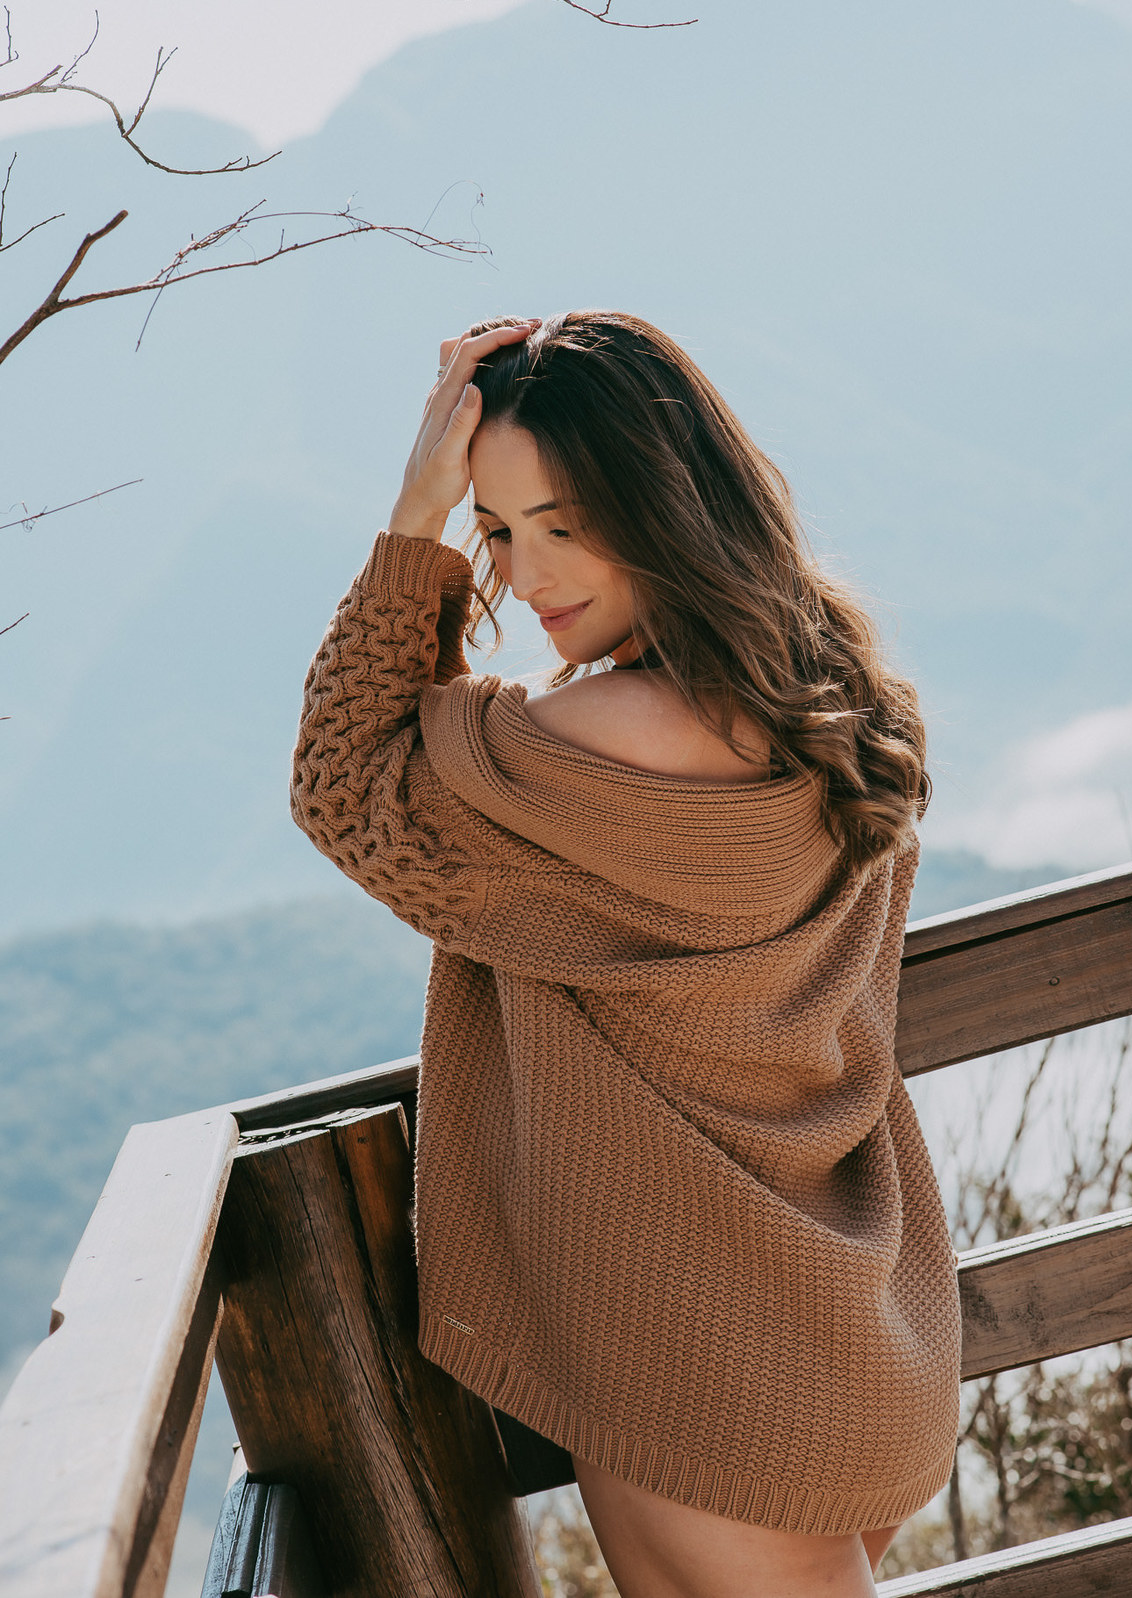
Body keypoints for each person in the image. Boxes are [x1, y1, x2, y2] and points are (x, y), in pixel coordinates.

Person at [291, 311, 962, 1597]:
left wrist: (414, 516)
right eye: (497, 528)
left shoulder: (588, 739)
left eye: (565, 521)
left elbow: (343, 784)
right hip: (842, 1315)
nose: (530, 573)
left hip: (703, 1347)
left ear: (661, 502)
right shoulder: (832, 697)